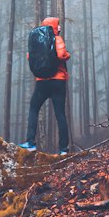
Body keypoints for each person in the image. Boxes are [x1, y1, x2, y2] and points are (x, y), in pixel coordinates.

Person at [21, 16, 70, 155]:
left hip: (42, 82)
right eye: (58, 25)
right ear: (53, 26)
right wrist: (68, 55)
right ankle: (63, 149)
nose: (59, 27)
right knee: (60, 114)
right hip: (58, 81)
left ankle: (30, 143)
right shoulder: (57, 39)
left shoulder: (37, 41)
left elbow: (29, 57)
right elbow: (61, 54)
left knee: (34, 109)